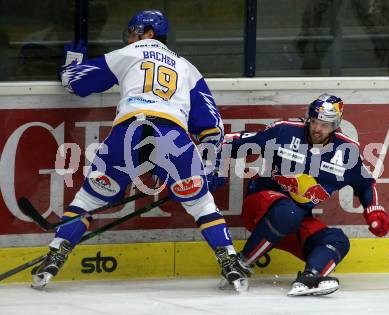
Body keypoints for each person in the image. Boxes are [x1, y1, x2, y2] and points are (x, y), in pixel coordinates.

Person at [31, 9, 250, 291]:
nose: (131, 38)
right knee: (201, 204)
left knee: (88, 200)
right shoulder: (186, 67)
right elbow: (212, 126)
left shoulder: (128, 54)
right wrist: (210, 163)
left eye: (134, 32)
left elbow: (74, 82)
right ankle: (229, 261)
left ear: (148, 34)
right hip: (172, 136)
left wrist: (73, 61)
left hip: (128, 133)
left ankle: (55, 255)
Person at [222, 94, 389, 296]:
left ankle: (311, 276)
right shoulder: (285, 131)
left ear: (336, 125)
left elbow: (365, 184)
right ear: (308, 117)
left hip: (295, 218)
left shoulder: (347, 152)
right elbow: (241, 142)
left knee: (337, 240)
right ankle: (241, 263)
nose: (318, 129)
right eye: (315, 122)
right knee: (289, 212)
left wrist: (373, 209)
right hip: (261, 204)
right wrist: (209, 150)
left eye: (325, 125)